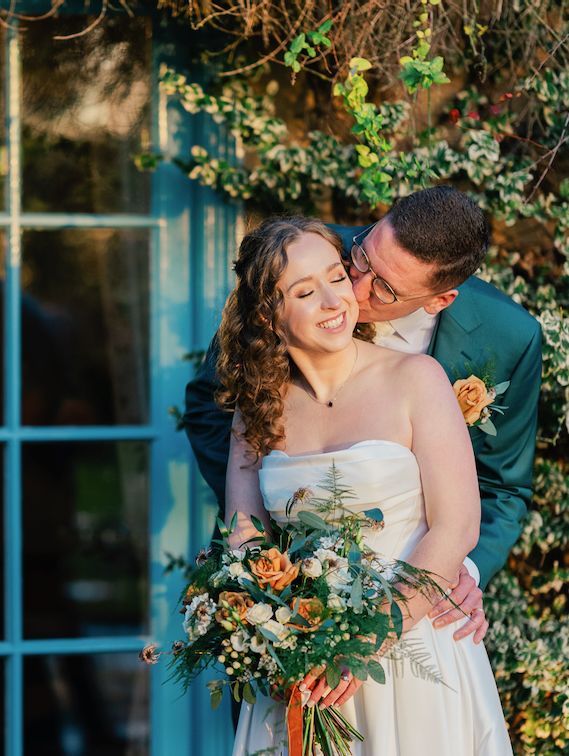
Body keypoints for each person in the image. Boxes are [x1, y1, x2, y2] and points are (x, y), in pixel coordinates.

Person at [211, 216, 536, 756]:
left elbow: (460, 521)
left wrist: (362, 642)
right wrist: (277, 630)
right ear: (268, 314)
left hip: (408, 649)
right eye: (307, 291)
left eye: (339, 279)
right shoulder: (259, 405)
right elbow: (246, 527)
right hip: (302, 657)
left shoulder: (419, 379)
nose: (343, 296)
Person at [184, 187, 542, 648]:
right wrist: (275, 520)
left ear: (439, 300)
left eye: (385, 288)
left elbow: (503, 486)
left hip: (414, 608)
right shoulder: (301, 257)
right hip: (287, 594)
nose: (350, 290)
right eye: (363, 257)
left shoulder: (507, 337)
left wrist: (460, 568)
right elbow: (215, 403)